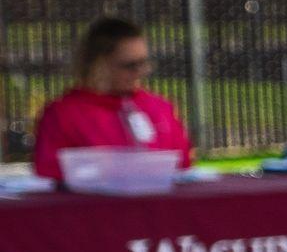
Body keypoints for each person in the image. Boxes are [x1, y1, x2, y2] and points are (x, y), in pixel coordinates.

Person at [32, 16, 192, 182]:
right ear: (98, 64)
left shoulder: (159, 107)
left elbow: (183, 162)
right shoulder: (64, 114)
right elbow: (48, 168)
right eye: (129, 65)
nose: (140, 72)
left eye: (143, 63)